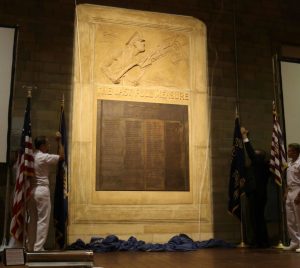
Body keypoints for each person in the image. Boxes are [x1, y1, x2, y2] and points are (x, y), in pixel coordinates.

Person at [27, 133, 64, 251]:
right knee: (43, 220)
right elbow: (61, 157)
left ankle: (30, 246)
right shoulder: (43, 156)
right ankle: (38, 248)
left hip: (31, 191)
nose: (48, 145)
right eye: (47, 143)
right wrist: (59, 141)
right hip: (42, 191)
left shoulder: (31, 156)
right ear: (42, 145)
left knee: (32, 220)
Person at [240, 127, 270, 248]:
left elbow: (250, 152)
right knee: (255, 218)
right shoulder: (255, 167)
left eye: (255, 154)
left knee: (258, 218)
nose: (252, 156)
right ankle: (259, 240)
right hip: (254, 194)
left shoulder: (261, 165)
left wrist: (245, 137)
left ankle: (262, 241)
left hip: (258, 195)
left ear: (258, 157)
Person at [283, 143, 300, 252]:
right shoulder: (289, 164)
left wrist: (299, 195)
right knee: (290, 220)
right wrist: (285, 192)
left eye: (290, 151)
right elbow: (287, 179)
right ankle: (294, 242)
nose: (288, 152)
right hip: (289, 191)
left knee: (299, 218)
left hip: (298, 190)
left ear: (296, 151)